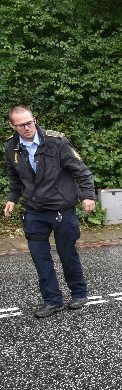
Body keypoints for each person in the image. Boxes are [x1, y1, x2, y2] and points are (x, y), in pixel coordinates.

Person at [4, 106, 96, 318]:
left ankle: (79, 293)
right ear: (13, 126)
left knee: (67, 254)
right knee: (40, 259)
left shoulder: (56, 142)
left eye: (30, 122)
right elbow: (15, 178)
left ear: (34, 119)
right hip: (34, 211)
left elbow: (81, 170)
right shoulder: (11, 147)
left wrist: (87, 195)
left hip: (61, 209)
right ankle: (52, 300)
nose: (28, 128)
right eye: (22, 125)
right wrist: (12, 199)